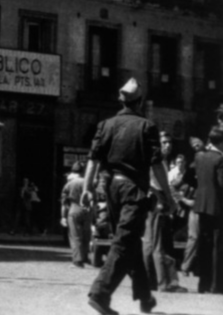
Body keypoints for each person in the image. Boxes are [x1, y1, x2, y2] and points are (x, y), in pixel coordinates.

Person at [83, 78, 177, 315]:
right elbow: (156, 166)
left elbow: (93, 160)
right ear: (140, 102)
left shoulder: (105, 125)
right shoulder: (147, 127)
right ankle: (100, 293)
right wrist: (168, 195)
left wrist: (87, 188)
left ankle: (145, 297)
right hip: (134, 191)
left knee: (130, 242)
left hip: (112, 189)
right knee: (124, 242)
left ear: (121, 100)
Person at [144, 131, 184, 293]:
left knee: (151, 243)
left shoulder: (163, 161)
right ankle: (163, 282)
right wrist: (162, 198)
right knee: (157, 244)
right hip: (156, 201)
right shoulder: (154, 160)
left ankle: (150, 281)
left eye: (170, 142)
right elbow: (148, 182)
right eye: (164, 142)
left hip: (157, 201)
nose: (168, 145)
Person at [192, 126, 223, 294]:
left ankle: (202, 283)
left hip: (201, 205)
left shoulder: (198, 156)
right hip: (218, 207)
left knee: (204, 244)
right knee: (217, 246)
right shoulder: (219, 159)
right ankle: (216, 284)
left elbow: (191, 178)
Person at [182, 137, 206, 275]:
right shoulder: (192, 167)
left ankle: (199, 268)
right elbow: (179, 185)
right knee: (194, 236)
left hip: (207, 202)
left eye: (198, 142)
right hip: (196, 204)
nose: (196, 145)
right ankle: (186, 266)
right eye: (193, 145)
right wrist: (184, 199)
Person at [62, 161, 93, 268]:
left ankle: (77, 259)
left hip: (74, 209)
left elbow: (64, 202)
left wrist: (63, 216)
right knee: (86, 236)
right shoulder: (89, 183)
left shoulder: (69, 184)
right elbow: (94, 199)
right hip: (87, 210)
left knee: (75, 236)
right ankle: (85, 257)